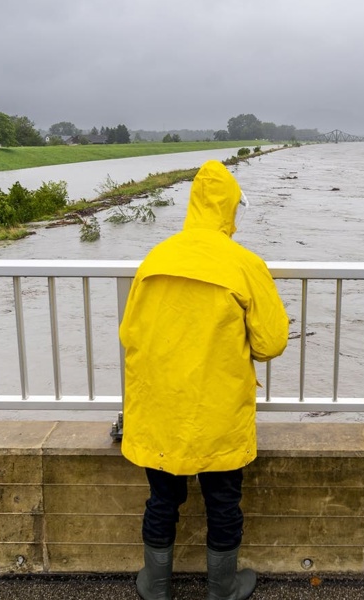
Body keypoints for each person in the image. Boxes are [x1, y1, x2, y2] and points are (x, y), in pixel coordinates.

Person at [119, 160, 289, 600]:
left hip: (160, 406)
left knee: (162, 500)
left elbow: (129, 333)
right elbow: (270, 343)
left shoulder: (156, 258)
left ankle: (156, 586)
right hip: (216, 409)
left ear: (193, 204)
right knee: (223, 502)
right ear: (230, 209)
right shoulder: (244, 264)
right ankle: (222, 586)